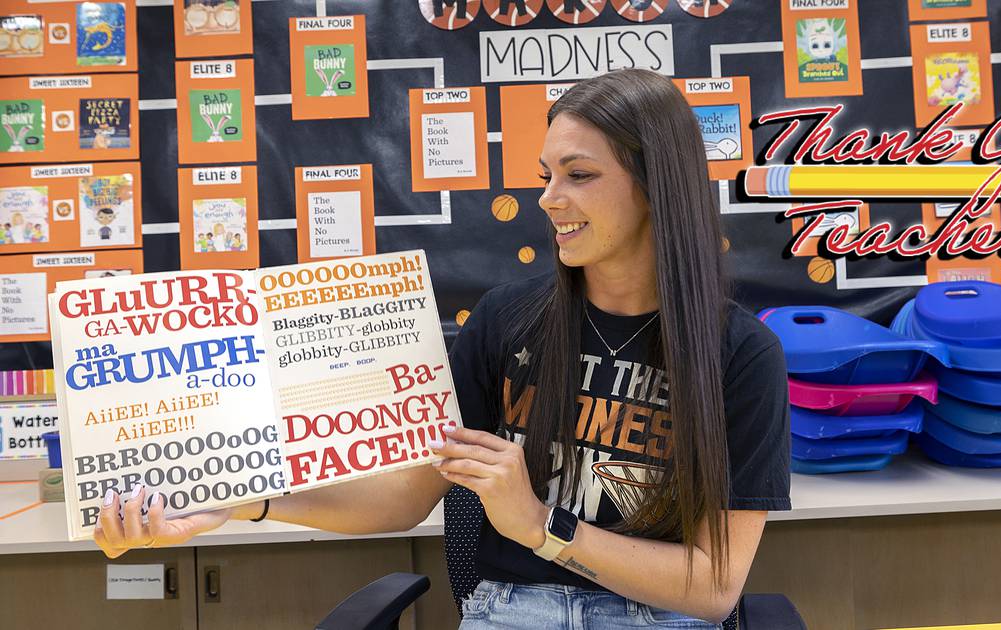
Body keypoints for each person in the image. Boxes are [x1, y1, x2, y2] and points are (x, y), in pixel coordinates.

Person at [92, 68, 791, 628]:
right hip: (513, 613)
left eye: (578, 175)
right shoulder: (506, 322)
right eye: (545, 174)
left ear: (654, 188)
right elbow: (403, 495)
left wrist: (540, 526)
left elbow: (712, 588)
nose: (548, 199)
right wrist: (241, 502)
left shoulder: (739, 353)